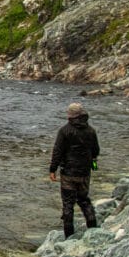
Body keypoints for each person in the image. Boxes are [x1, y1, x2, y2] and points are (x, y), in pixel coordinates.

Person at [49, 102, 100, 238]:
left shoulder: (64, 131)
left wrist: (52, 169)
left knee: (68, 204)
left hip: (68, 173)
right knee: (84, 200)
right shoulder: (91, 131)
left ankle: (68, 236)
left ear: (70, 116)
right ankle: (93, 230)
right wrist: (93, 165)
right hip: (84, 172)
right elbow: (96, 151)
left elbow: (57, 152)